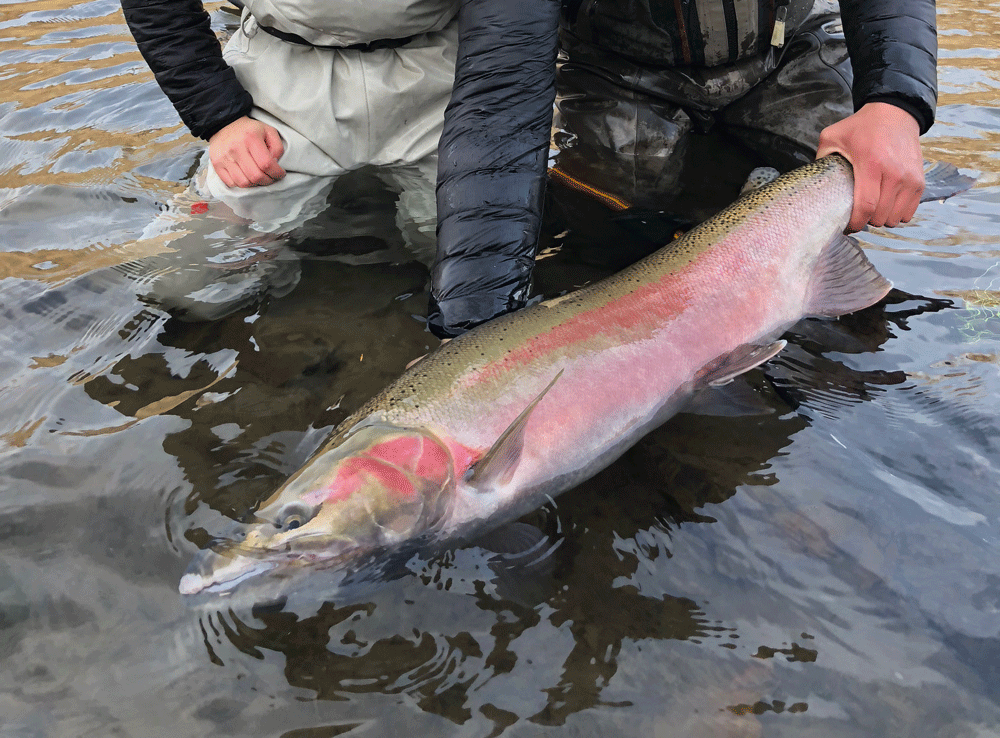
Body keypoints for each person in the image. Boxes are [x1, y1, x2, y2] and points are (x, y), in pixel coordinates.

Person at [119, 0, 936, 336]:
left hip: (785, 51)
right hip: (618, 71)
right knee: (185, 291)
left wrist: (897, 104)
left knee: (860, 207)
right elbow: (504, 99)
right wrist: (476, 330)